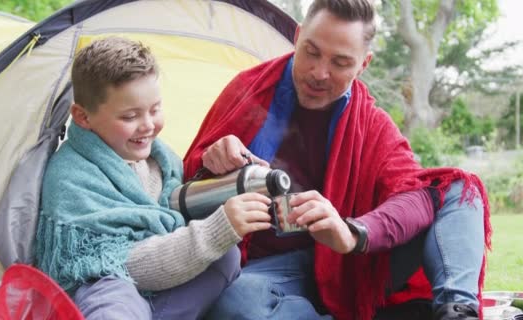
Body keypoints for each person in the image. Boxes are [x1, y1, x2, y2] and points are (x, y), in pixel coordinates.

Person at [183, 1, 491, 320]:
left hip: (352, 266)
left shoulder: (370, 122)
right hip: (270, 270)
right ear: (298, 36)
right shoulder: (248, 91)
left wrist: (352, 233)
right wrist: (212, 163)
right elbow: (183, 195)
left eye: (341, 62)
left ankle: (457, 311)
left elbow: (416, 197)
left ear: (363, 65)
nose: (319, 73)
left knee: (455, 188)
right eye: (311, 52)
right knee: (234, 305)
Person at [33, 37, 273, 320]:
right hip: (107, 282)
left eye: (155, 109)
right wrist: (216, 230)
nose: (148, 125)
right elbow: (128, 265)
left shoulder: (162, 160)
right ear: (83, 117)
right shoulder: (71, 177)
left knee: (226, 256)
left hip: (156, 294)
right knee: (112, 298)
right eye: (130, 116)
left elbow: (173, 216)